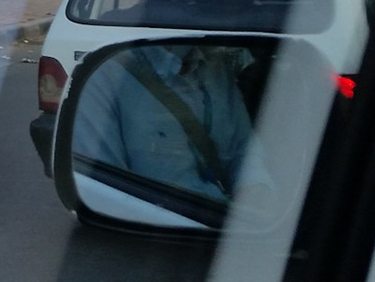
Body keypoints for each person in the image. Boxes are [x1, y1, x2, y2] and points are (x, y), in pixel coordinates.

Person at [71, 43, 273, 205]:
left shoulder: (216, 67)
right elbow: (104, 193)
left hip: (228, 222)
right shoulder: (103, 78)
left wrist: (256, 190)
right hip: (157, 231)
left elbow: (243, 148)